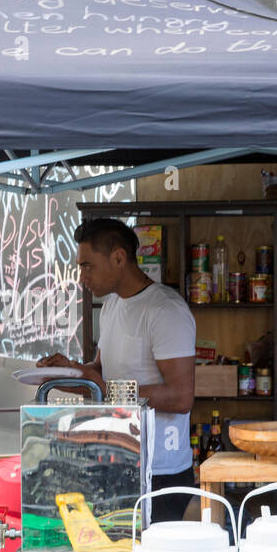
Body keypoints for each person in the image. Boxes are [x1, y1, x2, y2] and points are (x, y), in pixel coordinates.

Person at [38, 218, 197, 521]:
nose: (82, 276)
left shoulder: (165, 310)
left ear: (119, 258)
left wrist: (104, 385)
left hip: (160, 473)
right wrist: (63, 374)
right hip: (117, 462)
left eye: (88, 266)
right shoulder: (111, 305)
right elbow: (100, 371)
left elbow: (180, 397)